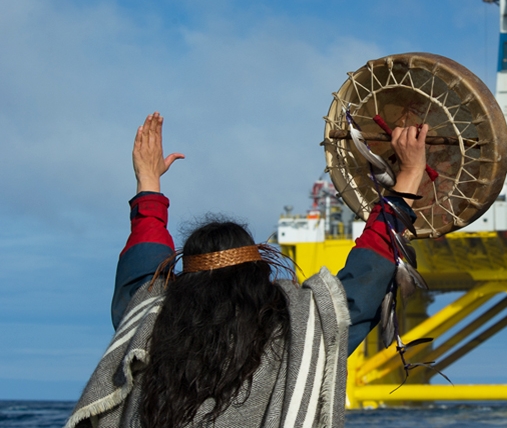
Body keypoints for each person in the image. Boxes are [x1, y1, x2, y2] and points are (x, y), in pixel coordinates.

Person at [66, 113, 428, 428]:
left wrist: (148, 183)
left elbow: (142, 273)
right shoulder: (292, 341)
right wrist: (408, 176)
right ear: (257, 278)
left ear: (184, 282)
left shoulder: (147, 331)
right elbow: (359, 290)